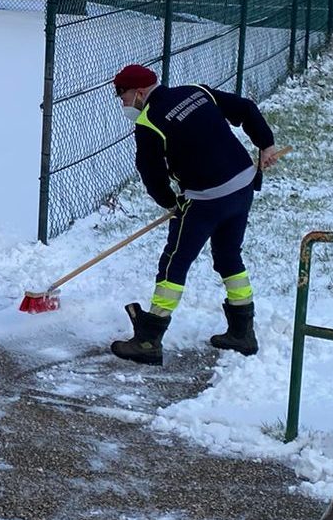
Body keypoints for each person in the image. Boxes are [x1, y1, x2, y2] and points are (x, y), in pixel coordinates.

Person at [108, 63, 279, 365]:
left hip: (207, 198)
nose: (121, 101)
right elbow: (246, 108)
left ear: (139, 92)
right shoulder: (195, 92)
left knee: (175, 262)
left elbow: (151, 174)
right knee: (228, 256)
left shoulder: (149, 123)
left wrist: (171, 203)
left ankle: (149, 339)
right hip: (242, 185)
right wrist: (265, 143)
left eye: (121, 95)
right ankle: (243, 332)